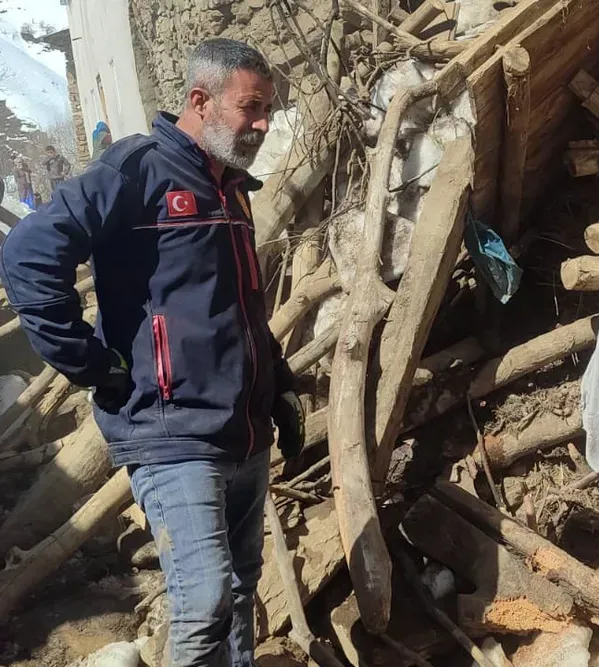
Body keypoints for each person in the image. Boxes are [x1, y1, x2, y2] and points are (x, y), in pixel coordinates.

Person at [0, 38, 305, 666]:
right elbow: (28, 255)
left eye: (267, 109)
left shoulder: (233, 189)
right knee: (205, 601)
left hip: (243, 430)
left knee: (240, 589)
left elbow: (243, 307)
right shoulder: (137, 171)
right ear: (201, 100)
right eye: (250, 107)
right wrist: (92, 364)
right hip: (172, 432)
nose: (262, 124)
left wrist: (280, 387)